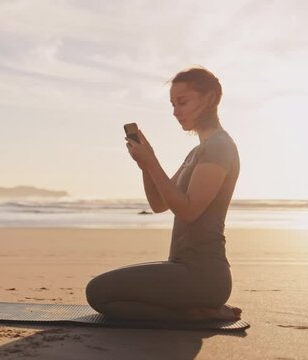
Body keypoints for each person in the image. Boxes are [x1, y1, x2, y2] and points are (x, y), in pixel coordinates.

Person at [85, 67, 242, 321]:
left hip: (203, 275)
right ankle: (197, 310)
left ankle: (200, 313)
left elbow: (189, 211)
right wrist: (145, 165)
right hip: (182, 269)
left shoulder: (219, 147)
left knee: (98, 293)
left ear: (210, 98)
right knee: (102, 291)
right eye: (172, 104)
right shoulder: (197, 152)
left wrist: (152, 163)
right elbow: (159, 203)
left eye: (182, 102)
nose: (176, 112)